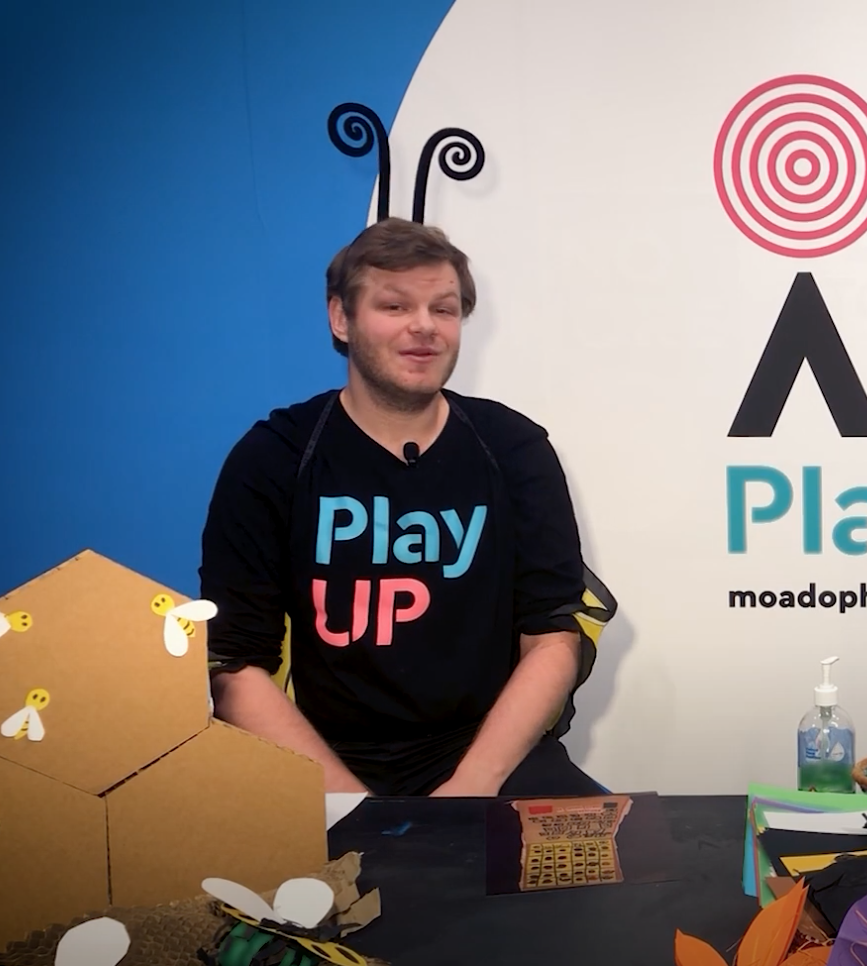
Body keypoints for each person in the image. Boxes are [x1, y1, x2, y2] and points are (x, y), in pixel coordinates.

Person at [199, 217, 603, 797]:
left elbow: (553, 636)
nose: (424, 328)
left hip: (489, 758)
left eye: (443, 309)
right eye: (394, 306)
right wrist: (355, 809)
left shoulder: (514, 447)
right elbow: (235, 665)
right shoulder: (274, 456)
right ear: (341, 317)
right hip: (319, 760)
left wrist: (469, 791)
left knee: (611, 876)